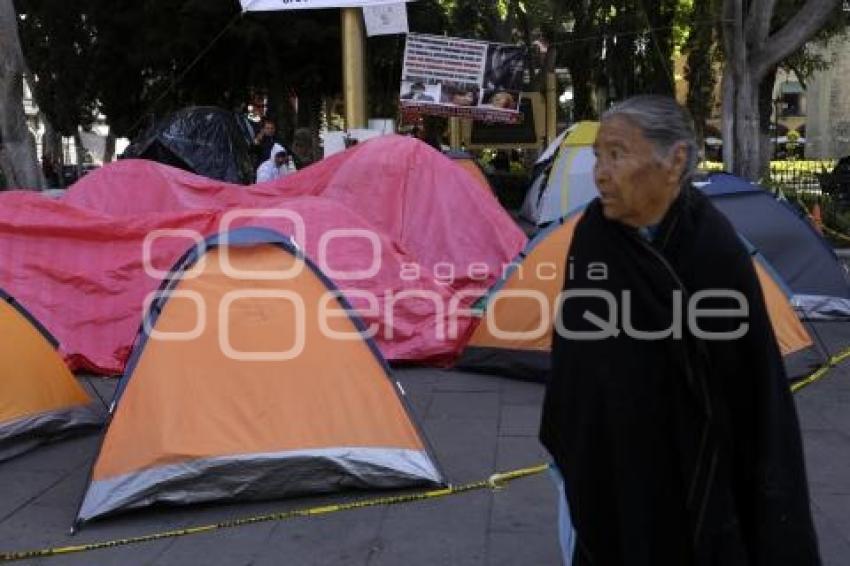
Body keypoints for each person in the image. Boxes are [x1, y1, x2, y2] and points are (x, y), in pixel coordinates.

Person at [539, 95, 820, 565]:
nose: (601, 174)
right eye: (598, 157)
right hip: (610, 454)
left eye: (617, 154)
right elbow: (580, 358)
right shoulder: (594, 236)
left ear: (676, 161)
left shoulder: (713, 248)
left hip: (697, 464)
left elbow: (746, 385)